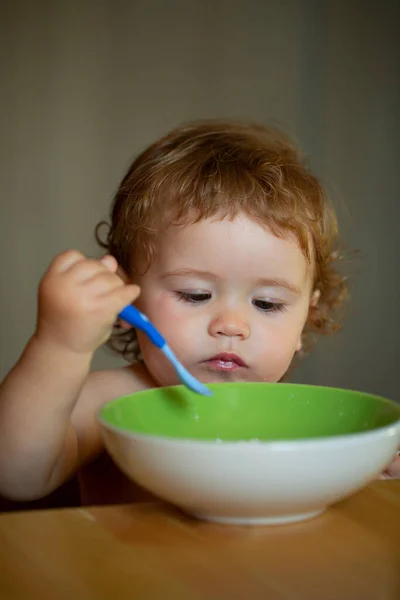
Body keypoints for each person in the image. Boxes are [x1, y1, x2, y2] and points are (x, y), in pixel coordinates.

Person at [0, 119, 397, 506]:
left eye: (267, 303)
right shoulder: (110, 403)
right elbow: (17, 475)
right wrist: (60, 345)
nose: (231, 325)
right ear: (126, 298)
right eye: (195, 294)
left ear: (305, 320)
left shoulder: (312, 425)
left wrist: (370, 479)